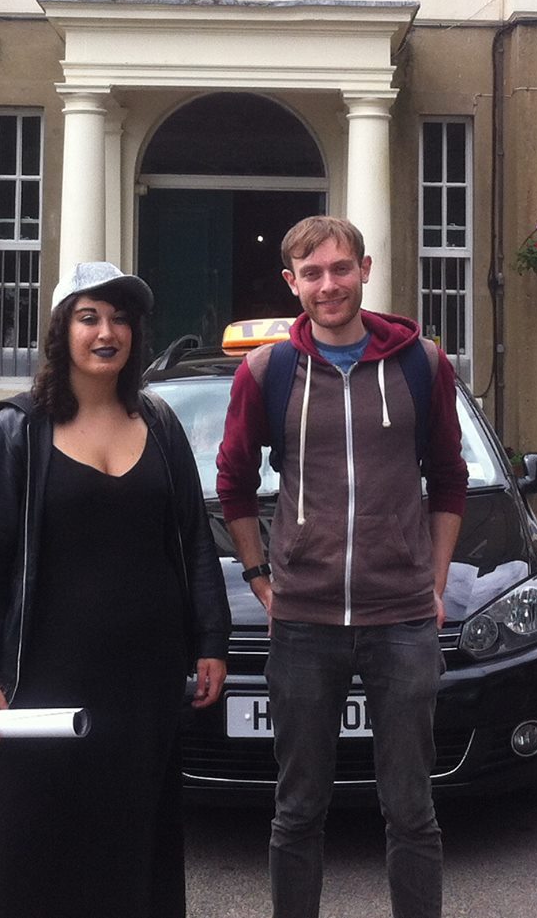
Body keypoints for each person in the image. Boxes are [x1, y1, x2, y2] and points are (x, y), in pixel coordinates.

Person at [0, 261, 230, 918]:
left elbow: (193, 540)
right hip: (43, 676)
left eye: (120, 318)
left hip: (142, 683)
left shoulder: (161, 424)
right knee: (15, 842)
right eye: (90, 316)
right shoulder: (19, 430)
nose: (106, 331)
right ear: (62, 330)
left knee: (127, 836)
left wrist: (211, 638)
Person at [216, 216, 470, 918]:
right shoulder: (267, 371)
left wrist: (436, 579)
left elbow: (449, 477)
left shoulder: (423, 362)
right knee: (297, 811)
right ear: (292, 283)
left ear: (364, 267)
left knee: (412, 811)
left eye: (340, 268)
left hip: (404, 620)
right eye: (313, 273)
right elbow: (233, 481)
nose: (329, 285)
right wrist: (261, 576)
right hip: (303, 622)